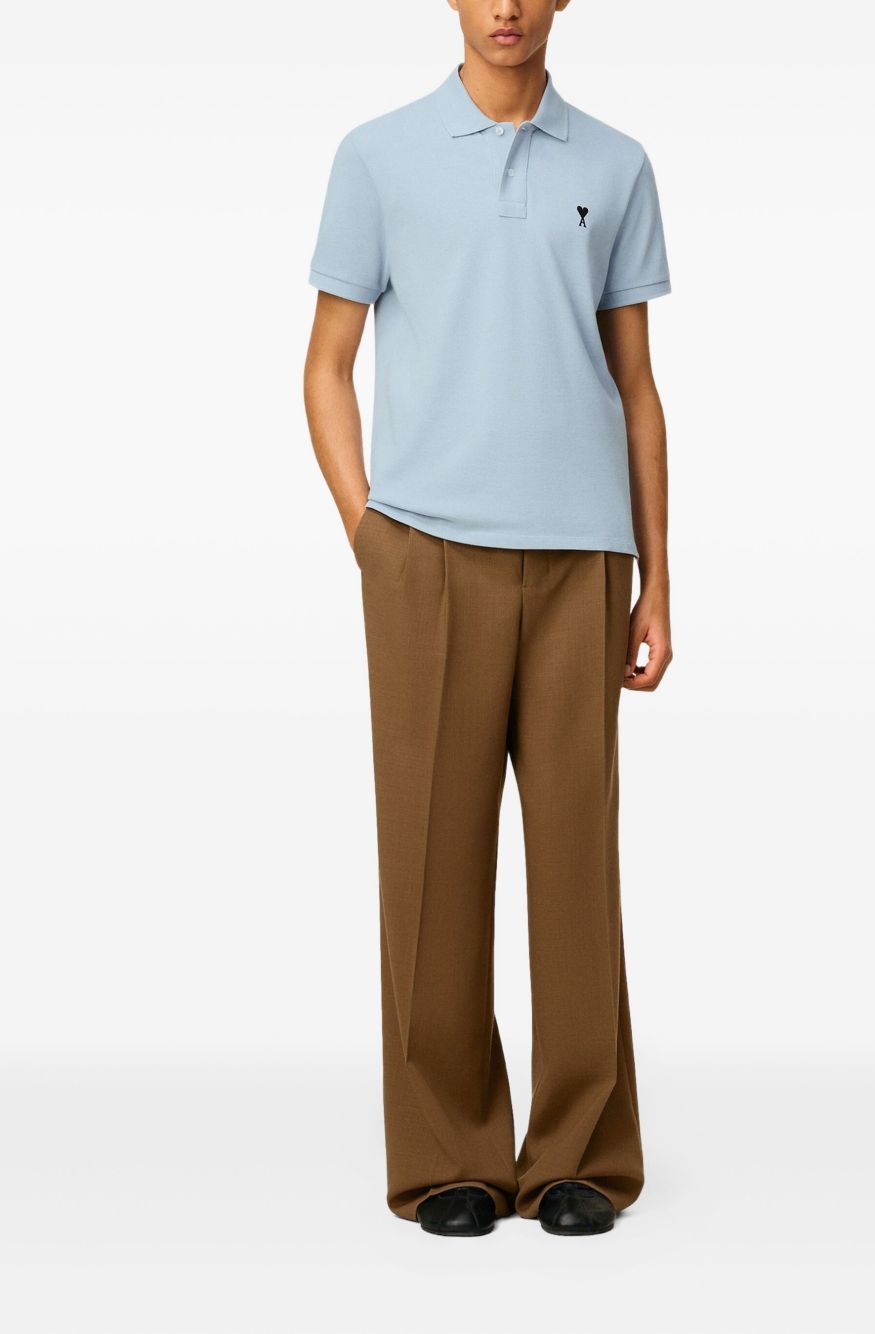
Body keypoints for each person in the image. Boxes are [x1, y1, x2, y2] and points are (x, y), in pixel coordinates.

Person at [303, 0, 672, 1238]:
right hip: (426, 555)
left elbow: (635, 384)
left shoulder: (616, 163)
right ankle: (447, 1154)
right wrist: (370, 533)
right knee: (431, 861)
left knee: (577, 865)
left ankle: (580, 1154)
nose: (505, 7)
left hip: (579, 560)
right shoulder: (378, 156)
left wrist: (655, 578)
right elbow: (325, 363)